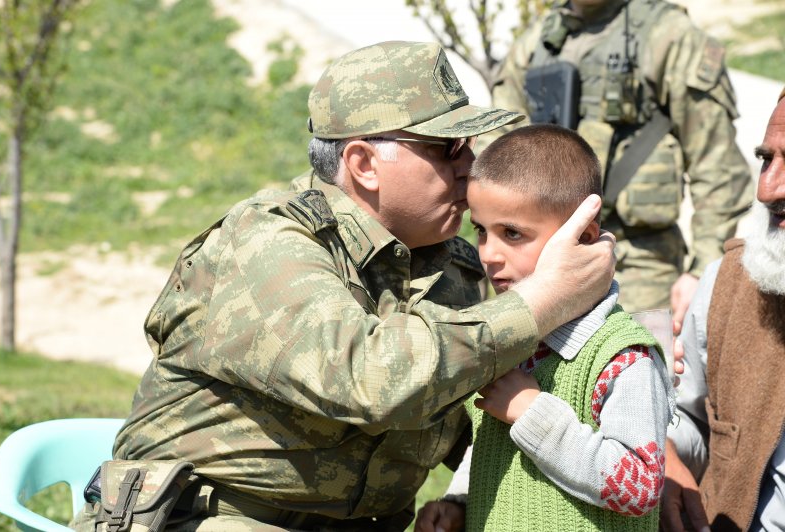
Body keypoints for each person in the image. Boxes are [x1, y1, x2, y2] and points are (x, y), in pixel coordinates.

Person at [71, 41, 617, 531]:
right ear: (363, 164)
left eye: (469, 146)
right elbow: (368, 379)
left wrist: (628, 443)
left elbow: (487, 418)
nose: (469, 167)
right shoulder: (267, 242)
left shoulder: (456, 269)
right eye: (446, 148)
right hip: (211, 515)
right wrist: (541, 300)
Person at [415, 124, 675, 532]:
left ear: (582, 237)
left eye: (512, 233)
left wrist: (531, 412)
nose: (489, 254)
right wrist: (460, 502)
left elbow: (639, 485)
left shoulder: (622, 357)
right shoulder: (510, 341)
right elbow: (492, 445)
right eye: (481, 231)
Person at [482, 0, 753, 330]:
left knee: (641, 358)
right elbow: (495, 155)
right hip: (541, 267)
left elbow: (717, 165)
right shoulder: (535, 44)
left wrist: (701, 272)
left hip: (639, 263)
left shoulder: (669, 37)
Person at [662, 88, 785, 532]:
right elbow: (694, 420)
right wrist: (664, 454)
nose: (767, 189)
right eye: (766, 160)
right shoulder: (727, 282)